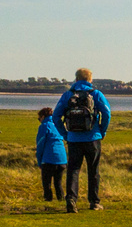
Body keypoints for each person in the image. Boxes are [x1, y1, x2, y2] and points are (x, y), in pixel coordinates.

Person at [50, 67, 111, 213]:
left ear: (76, 79)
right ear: (90, 80)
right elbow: (107, 113)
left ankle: (71, 199)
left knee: (73, 170)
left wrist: (65, 134)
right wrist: (102, 131)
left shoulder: (67, 95)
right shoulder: (96, 94)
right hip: (93, 138)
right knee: (93, 170)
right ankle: (94, 202)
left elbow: (55, 116)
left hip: (73, 139)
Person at [34, 106, 67, 203]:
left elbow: (40, 145)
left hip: (49, 158)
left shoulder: (44, 126)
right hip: (62, 158)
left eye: (39, 118)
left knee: (47, 183)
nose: (39, 120)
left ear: (43, 116)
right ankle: (61, 200)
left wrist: (39, 161)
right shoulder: (58, 124)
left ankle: (48, 201)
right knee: (58, 183)